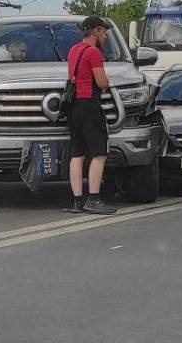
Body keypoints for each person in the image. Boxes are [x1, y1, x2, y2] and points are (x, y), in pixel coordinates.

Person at [66, 17, 116, 215]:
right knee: (99, 152)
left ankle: (77, 201)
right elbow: (101, 81)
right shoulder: (94, 53)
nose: (105, 36)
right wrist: (106, 83)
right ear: (96, 31)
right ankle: (93, 199)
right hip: (89, 104)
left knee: (77, 153)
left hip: (74, 106)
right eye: (103, 32)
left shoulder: (73, 50)